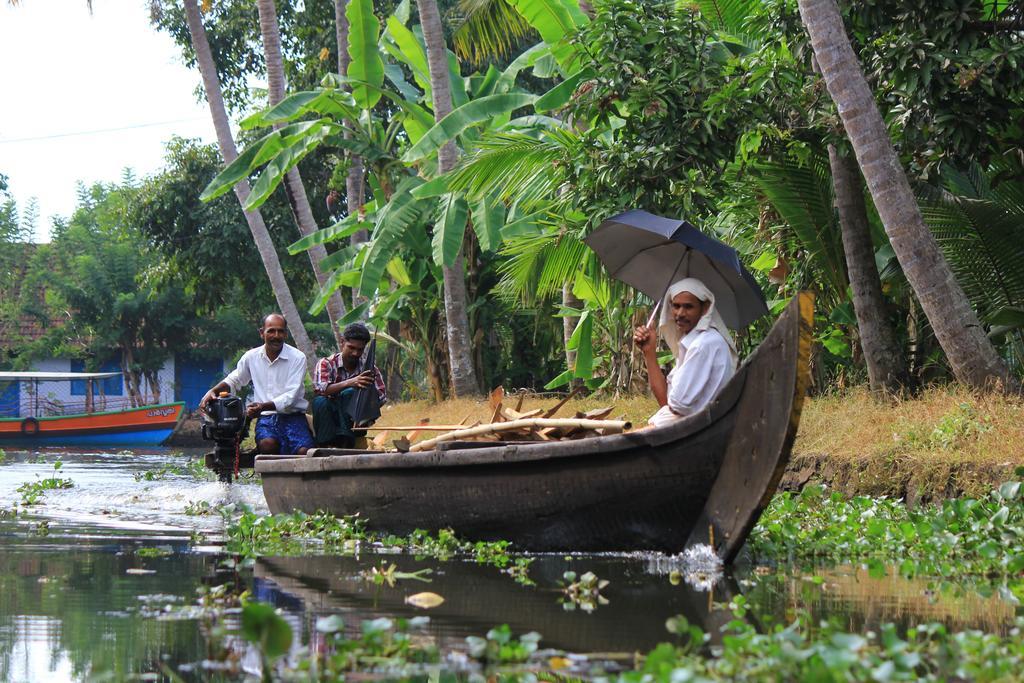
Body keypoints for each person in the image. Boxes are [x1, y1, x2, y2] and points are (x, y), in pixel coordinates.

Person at [200, 313, 314, 455]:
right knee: (267, 445)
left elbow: (291, 396)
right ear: (262, 333)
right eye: (271, 331)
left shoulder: (297, 357)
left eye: (280, 331)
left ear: (286, 334)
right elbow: (235, 379)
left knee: (304, 451)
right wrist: (213, 391)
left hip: (294, 417)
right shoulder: (251, 357)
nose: (276, 335)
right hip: (266, 418)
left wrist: (262, 406)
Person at [633, 278, 738, 428]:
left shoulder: (704, 345)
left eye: (688, 307)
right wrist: (649, 351)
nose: (680, 313)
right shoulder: (693, 343)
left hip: (696, 432)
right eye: (676, 306)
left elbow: (677, 405)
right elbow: (666, 402)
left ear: (705, 308)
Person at [312, 322, 387, 448]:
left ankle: (346, 441)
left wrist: (365, 413)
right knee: (320, 401)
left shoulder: (370, 369)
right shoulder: (326, 363)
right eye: (351, 348)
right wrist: (351, 382)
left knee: (350, 393)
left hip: (356, 424)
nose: (355, 353)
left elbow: (381, 397)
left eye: (360, 349)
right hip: (330, 421)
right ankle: (326, 445)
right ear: (342, 342)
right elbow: (321, 389)